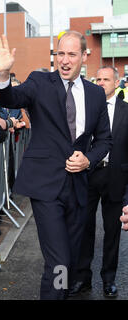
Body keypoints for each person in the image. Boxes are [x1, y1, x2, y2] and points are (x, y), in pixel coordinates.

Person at [0, 31, 112, 300]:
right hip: (46, 187)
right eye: (60, 54)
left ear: (84, 56)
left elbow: (104, 140)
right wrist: (3, 76)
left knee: (68, 261)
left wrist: (88, 159)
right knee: (58, 260)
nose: (65, 61)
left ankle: (59, 294)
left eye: (71, 54)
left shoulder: (95, 94)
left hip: (78, 190)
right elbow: (11, 99)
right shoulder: (39, 81)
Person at [70, 66, 128, 298]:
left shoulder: (126, 110)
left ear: (116, 83)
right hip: (88, 175)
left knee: (112, 230)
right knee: (84, 228)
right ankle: (83, 279)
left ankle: (109, 279)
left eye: (106, 79)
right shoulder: (86, 108)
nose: (101, 83)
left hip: (116, 177)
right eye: (98, 79)